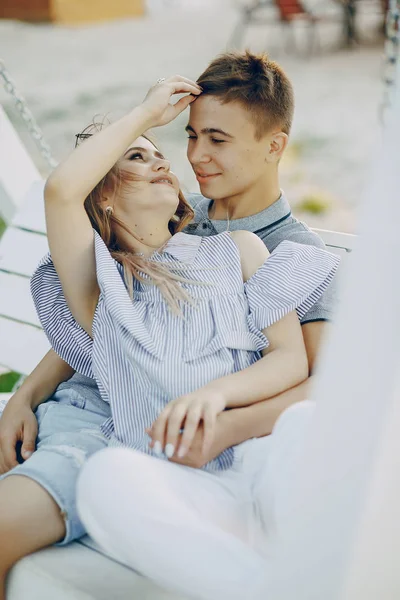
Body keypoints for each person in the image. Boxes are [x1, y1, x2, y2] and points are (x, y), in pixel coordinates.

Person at [30, 74, 338, 600]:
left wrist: (215, 399)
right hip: (174, 474)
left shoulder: (239, 250)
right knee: (106, 480)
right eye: (189, 138)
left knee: (305, 425)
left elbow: (296, 365)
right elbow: (62, 191)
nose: (184, 158)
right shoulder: (102, 288)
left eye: (216, 140)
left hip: (256, 457)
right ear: (102, 198)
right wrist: (148, 113)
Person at [0, 51, 337, 476]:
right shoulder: (169, 212)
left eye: (217, 140)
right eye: (192, 135)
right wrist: (26, 394)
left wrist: (225, 427)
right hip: (96, 408)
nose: (195, 156)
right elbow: (112, 314)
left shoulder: (291, 250)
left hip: (185, 436)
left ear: (274, 146)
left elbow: (319, 381)